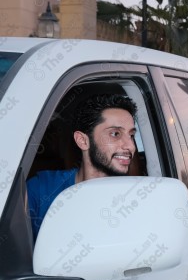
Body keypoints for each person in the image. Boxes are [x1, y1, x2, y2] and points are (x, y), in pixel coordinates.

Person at [27, 94, 138, 240]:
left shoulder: (134, 200)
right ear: (83, 141)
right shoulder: (42, 189)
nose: (130, 146)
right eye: (115, 134)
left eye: (131, 135)